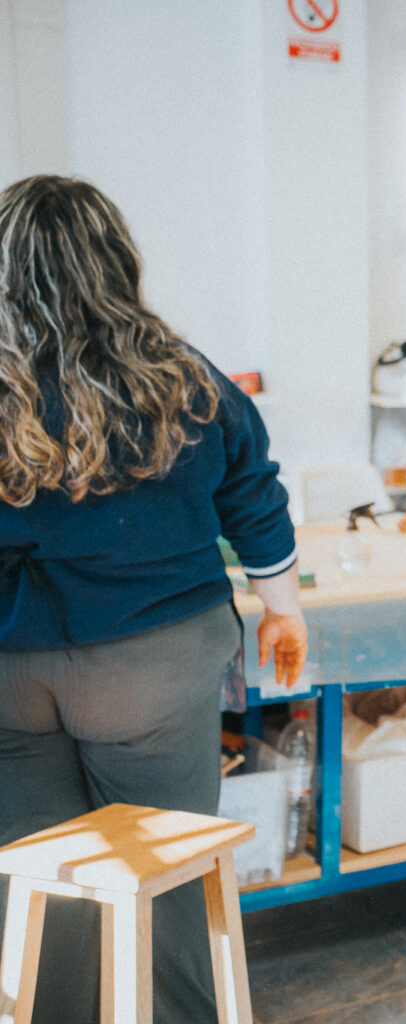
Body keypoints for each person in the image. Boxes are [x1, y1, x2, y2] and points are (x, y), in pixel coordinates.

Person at [0, 174, 307, 1022]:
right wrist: (283, 608)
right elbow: (255, 498)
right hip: (152, 664)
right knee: (163, 880)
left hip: (11, 670)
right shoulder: (183, 378)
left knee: (43, 878)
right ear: (117, 261)